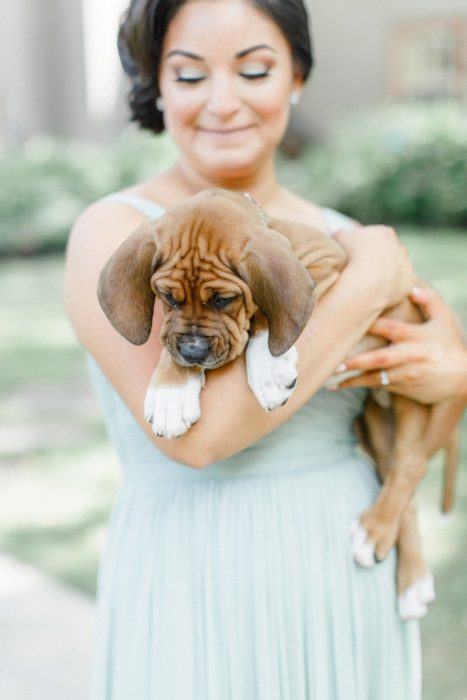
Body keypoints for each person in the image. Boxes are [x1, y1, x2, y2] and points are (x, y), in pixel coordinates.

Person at [64, 1, 467, 697]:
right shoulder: (120, 233)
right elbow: (197, 439)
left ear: (296, 78)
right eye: (189, 75)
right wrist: (365, 282)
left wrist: (451, 372)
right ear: (154, 87)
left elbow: (432, 379)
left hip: (343, 572)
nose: (223, 102)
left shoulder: (340, 232)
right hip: (187, 579)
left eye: (253, 69)